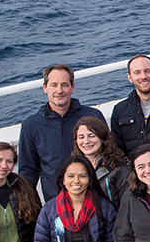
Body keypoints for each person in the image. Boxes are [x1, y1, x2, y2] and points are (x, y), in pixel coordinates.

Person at [19, 64, 107, 201]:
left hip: (96, 197)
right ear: (45, 88)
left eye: (64, 85)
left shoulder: (93, 115)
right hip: (57, 202)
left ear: (73, 87)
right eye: (54, 85)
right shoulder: (31, 126)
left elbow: (110, 154)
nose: (59, 90)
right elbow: (28, 172)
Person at [72, 116, 130, 207]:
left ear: (102, 138)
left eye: (92, 136)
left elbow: (127, 206)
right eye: (81, 137)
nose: (86, 141)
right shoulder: (72, 168)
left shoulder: (120, 168)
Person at [111, 54, 150, 153]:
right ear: (130, 77)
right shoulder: (120, 111)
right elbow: (117, 150)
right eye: (137, 72)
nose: (143, 77)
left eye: (147, 71)